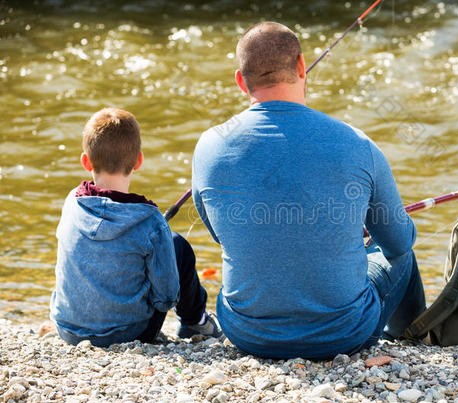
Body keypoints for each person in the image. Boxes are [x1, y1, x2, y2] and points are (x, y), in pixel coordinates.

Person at [192, 22, 425, 359]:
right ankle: (411, 336)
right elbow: (400, 242)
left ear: (241, 81)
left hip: (247, 332)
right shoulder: (357, 142)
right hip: (343, 335)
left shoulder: (208, 146)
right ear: (302, 66)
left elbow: (223, 232)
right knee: (401, 254)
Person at [50, 108, 221, 347]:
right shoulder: (150, 220)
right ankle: (196, 321)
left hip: (68, 329)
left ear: (85, 161)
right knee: (177, 245)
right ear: (138, 161)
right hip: (127, 334)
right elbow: (167, 297)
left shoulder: (71, 203)